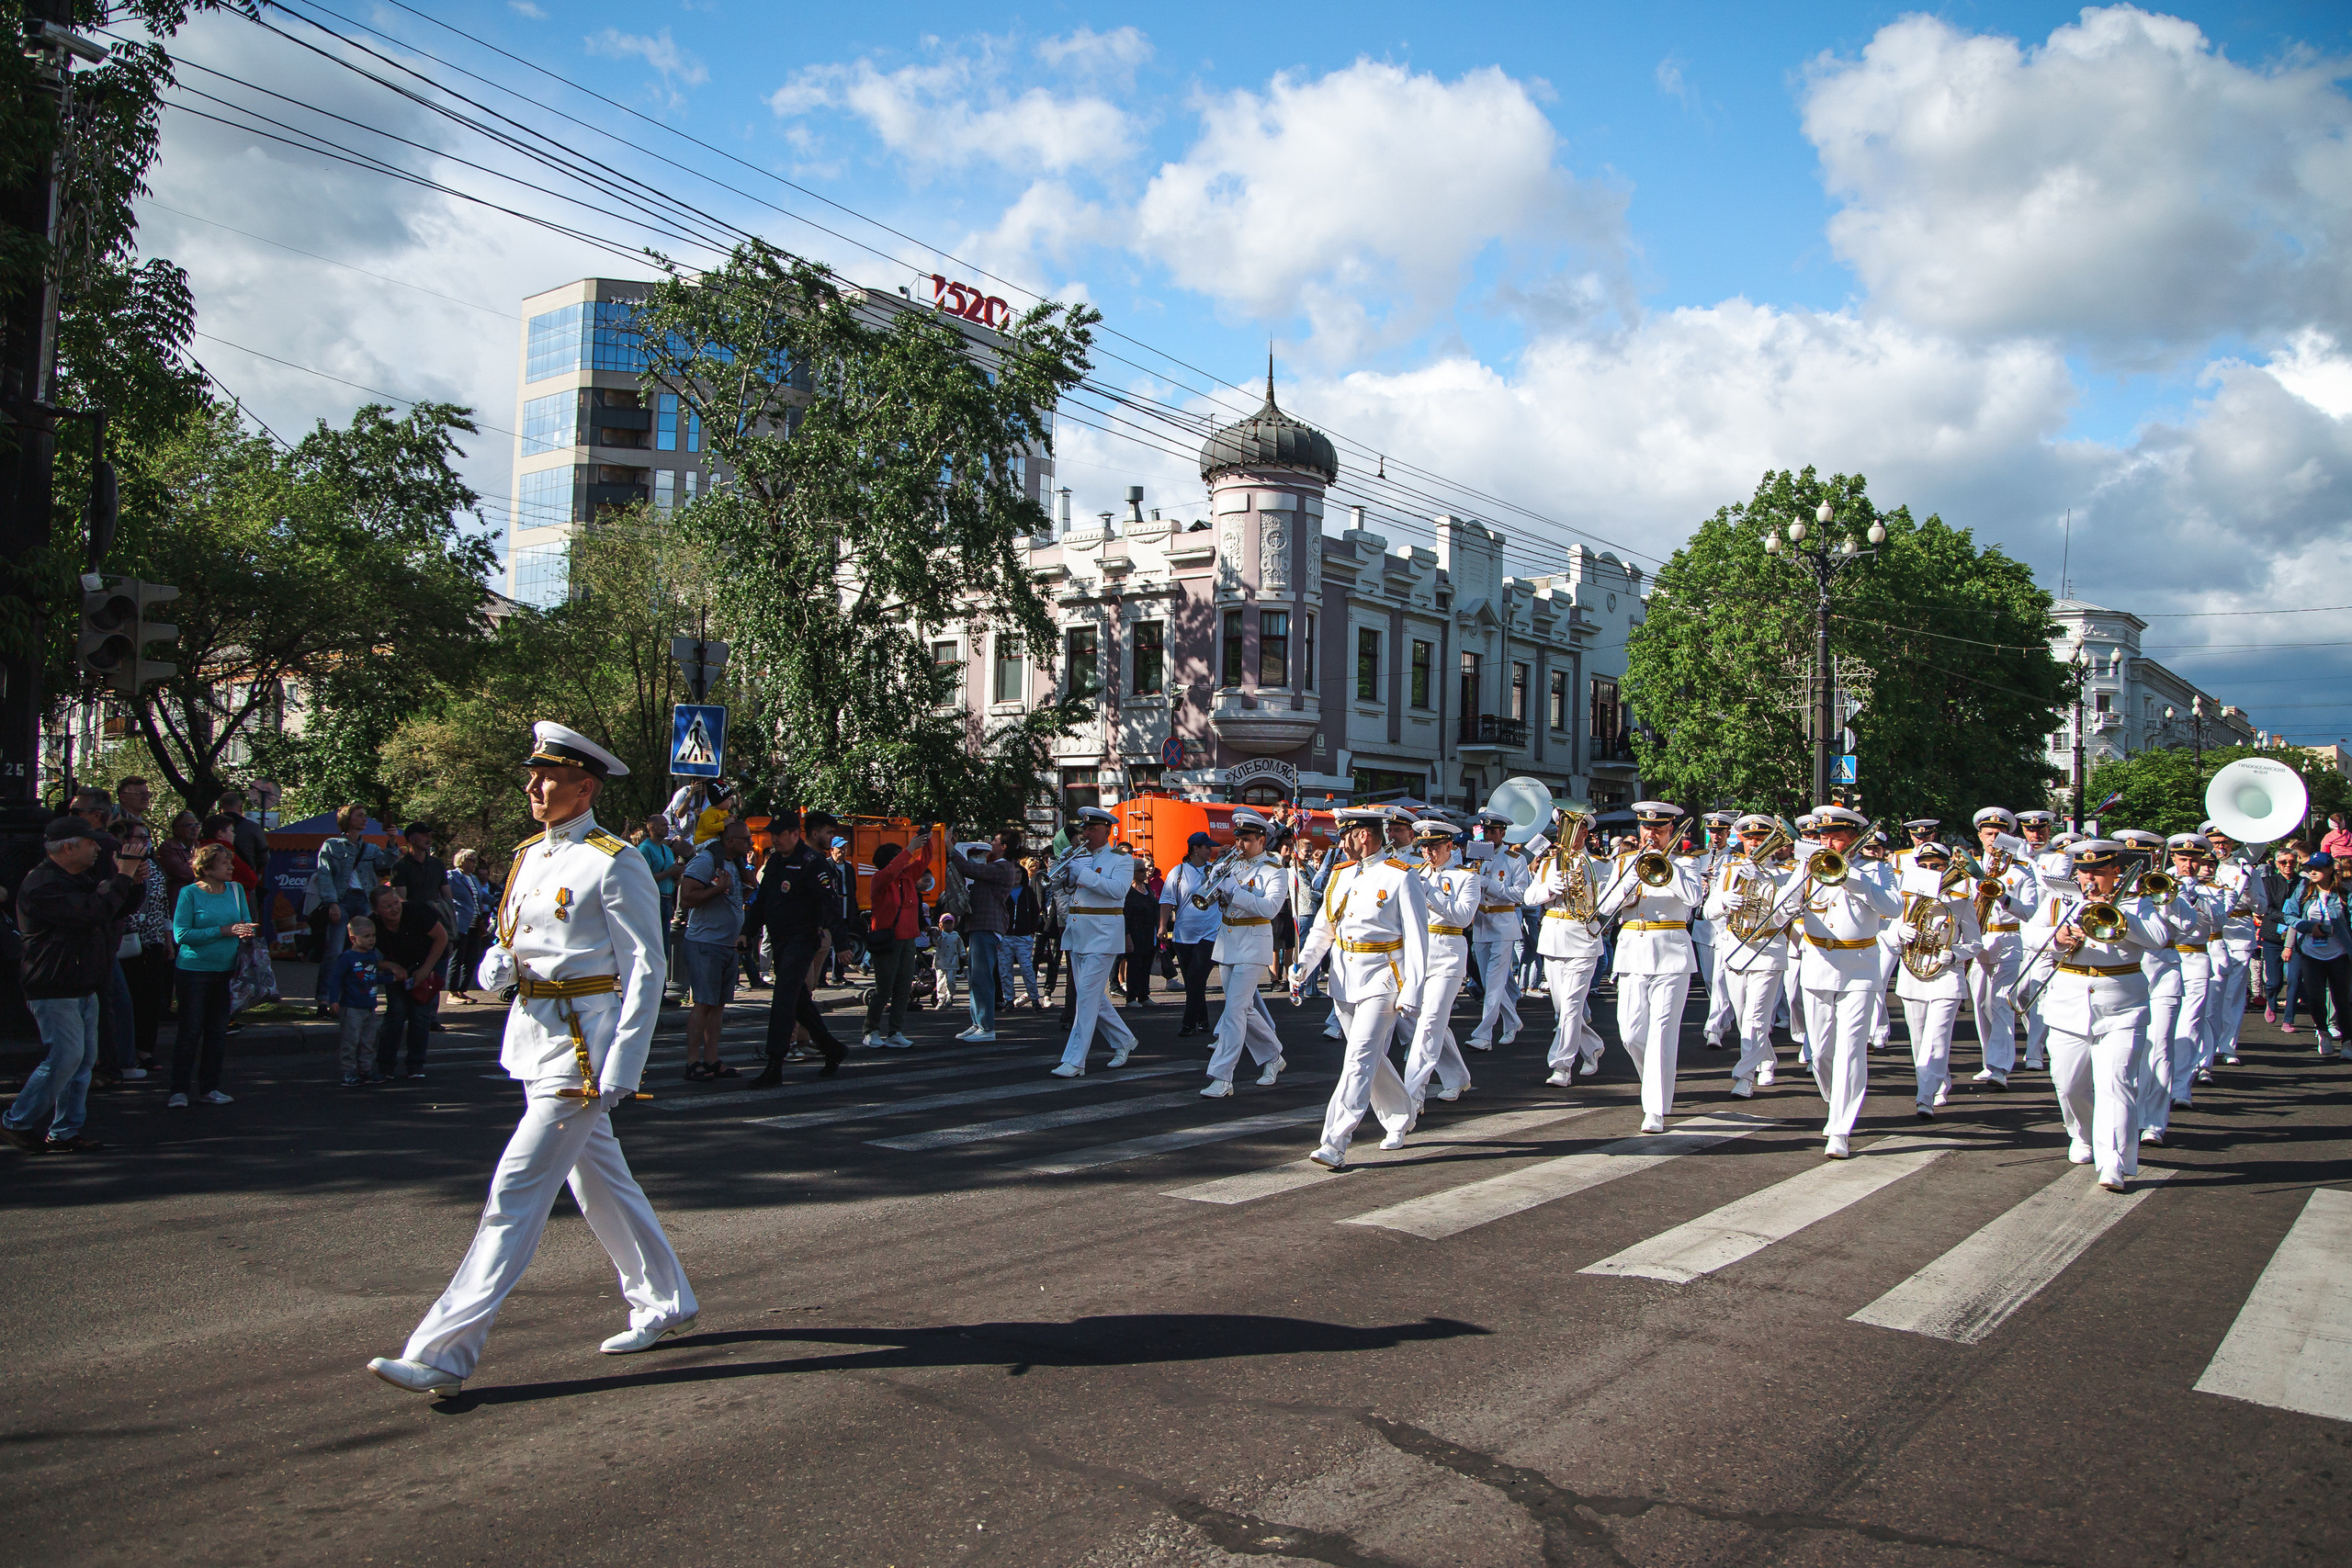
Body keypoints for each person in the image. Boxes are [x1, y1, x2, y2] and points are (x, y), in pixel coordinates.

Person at [368, 722, 693, 1397]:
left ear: (585, 785)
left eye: (546, 777)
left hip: (582, 1050)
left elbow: (645, 968)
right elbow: (514, 941)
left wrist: (624, 1063)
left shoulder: (614, 860)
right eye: (533, 775)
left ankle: (444, 1352)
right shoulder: (529, 855)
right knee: (598, 1181)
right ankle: (664, 1299)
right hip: (535, 1035)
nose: (532, 787)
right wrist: (498, 964)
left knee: (515, 1188)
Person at [1290, 806, 1426, 1169]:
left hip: (1383, 978)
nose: (1340, 842)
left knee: (1358, 1059)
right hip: (1344, 978)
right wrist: (1304, 964)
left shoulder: (1401, 876)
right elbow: (1324, 927)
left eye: (1344, 834)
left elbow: (1417, 939)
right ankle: (1401, 1115)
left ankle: (1334, 1141)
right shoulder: (1339, 874)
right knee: (1368, 1058)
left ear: (1363, 835)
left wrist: (1413, 992)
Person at [2, 818, 145, 1154]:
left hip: (81, 983)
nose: (98, 848)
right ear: (68, 846)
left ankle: (65, 1130)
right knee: (65, 1058)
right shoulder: (43, 885)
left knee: (82, 1063)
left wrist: (132, 884)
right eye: (91, 842)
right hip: (54, 985)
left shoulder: (73, 879)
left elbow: (110, 910)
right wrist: (122, 876)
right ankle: (16, 1122)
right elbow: (92, 912)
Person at [2038, 839, 2172, 1192]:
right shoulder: (2060, 900)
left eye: (2098, 872)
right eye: (2084, 872)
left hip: (2122, 1006)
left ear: (2116, 872)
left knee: (2118, 1084)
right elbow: (2031, 935)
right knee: (2068, 1084)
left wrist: (2118, 918)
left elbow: (2159, 938)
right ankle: (2081, 1135)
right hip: (2068, 1003)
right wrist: (2057, 938)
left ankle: (2113, 1162)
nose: (2090, 880)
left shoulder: (2136, 901)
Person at [1786, 805, 1905, 1157]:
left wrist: (1852, 878)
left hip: (1860, 966)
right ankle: (1834, 1099)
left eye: (1836, 837)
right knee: (1820, 1051)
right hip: (1818, 962)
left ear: (1853, 840)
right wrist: (1800, 879)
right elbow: (1781, 910)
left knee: (1852, 1050)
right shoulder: (1808, 868)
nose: (1829, 844)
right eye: (1824, 837)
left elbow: (1894, 908)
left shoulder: (1878, 870)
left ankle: (1839, 1128)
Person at [1592, 801, 1706, 1135]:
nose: (1650, 835)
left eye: (1658, 829)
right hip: (1632, 951)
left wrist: (1664, 870)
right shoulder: (1625, 862)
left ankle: (1654, 1108)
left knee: (1661, 1034)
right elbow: (1605, 906)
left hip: (1671, 952)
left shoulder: (1687, 863)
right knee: (1630, 1033)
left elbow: (1693, 899)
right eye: (1646, 828)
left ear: (1671, 830)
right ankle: (1653, 1081)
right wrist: (1630, 879)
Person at [750, 808, 851, 1084]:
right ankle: (832, 1048)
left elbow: (829, 906)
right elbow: (762, 902)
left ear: (795, 834)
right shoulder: (775, 863)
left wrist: (841, 943)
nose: (774, 839)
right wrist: (746, 933)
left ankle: (774, 1064)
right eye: (772, 834)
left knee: (783, 998)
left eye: (780, 834)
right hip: (780, 939)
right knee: (799, 1001)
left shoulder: (812, 863)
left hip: (802, 939)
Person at [1199, 811, 1289, 1098]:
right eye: (1238, 839)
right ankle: (1274, 1056)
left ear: (1262, 840)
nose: (1240, 844)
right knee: (1244, 1009)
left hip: (1253, 943)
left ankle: (1222, 1077)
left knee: (1234, 1010)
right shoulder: (1233, 865)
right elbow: (1214, 900)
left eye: (1247, 839)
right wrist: (1215, 881)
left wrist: (1235, 892)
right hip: (1228, 941)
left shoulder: (1276, 870)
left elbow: (1270, 909)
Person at [1890, 842, 1984, 1118]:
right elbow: (1885, 936)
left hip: (1946, 978)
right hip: (1913, 975)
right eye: (1925, 866)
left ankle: (1925, 1097)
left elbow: (1976, 943)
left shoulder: (1961, 902)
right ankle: (1937, 1082)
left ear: (1946, 868)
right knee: (1918, 1039)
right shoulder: (1906, 900)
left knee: (1937, 1039)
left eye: (1937, 866)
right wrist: (1899, 932)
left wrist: (1955, 954)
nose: (1930, 870)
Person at [166, 841, 256, 1110]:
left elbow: (244, 924)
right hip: (194, 972)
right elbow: (181, 935)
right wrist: (223, 930)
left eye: (230, 862)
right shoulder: (189, 894)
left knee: (217, 1032)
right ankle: (179, 1090)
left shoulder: (236, 890)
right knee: (190, 1031)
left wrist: (245, 931)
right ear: (205, 868)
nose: (230, 868)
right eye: (224, 863)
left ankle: (210, 1087)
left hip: (227, 971)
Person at [1051, 807, 1139, 1077]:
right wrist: (1064, 868)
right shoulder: (1082, 856)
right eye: (1084, 830)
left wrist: (1083, 874)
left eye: (1092, 830)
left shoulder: (1121, 859)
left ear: (1107, 831)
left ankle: (1075, 1060)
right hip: (1078, 933)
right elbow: (1061, 887)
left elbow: (1117, 891)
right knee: (1092, 998)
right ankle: (1124, 1040)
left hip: (1103, 934)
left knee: (1086, 999)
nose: (1086, 835)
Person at [1400, 818, 1480, 1114]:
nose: (1428, 853)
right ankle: (1457, 1076)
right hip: (1417, 953)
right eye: (1424, 847)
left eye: (1434, 847)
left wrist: (1430, 894)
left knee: (1431, 1022)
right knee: (1422, 1021)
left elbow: (1462, 918)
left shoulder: (1466, 877)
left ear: (1450, 846)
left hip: (1448, 953)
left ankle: (1413, 1094)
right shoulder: (1414, 873)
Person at [1963, 808, 2037, 1089]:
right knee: (1981, 1004)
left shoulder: (2020, 871)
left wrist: (2005, 898)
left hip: (2007, 940)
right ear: (1980, 837)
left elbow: (2030, 911)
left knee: (2001, 1003)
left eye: (1999, 834)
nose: (1993, 839)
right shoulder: (1970, 868)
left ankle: (2000, 1067)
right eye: (1989, 834)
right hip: (1977, 939)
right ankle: (1988, 1061)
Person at [677, 818, 752, 1079]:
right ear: (729, 840)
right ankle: (692, 1062)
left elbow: (734, 899)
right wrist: (718, 888)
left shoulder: (733, 863)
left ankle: (712, 1059)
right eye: (744, 839)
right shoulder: (706, 860)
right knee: (703, 1003)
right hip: (706, 943)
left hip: (727, 945)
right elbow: (687, 896)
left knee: (718, 1005)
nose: (750, 843)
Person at [308, 805, 390, 1016]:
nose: (364, 819)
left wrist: (391, 842)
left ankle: (360, 997)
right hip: (341, 900)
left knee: (365, 949)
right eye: (359, 815)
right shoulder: (332, 845)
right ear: (347, 819)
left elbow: (385, 865)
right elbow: (324, 874)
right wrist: (331, 902)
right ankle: (325, 1000)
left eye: (365, 816)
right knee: (334, 951)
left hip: (363, 900)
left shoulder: (370, 848)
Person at [1464, 810, 1529, 1051]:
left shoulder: (1515, 859)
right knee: (1490, 982)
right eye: (1486, 831)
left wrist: (1489, 884)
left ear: (1503, 833)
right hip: (1481, 924)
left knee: (1493, 982)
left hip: (1503, 925)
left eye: (1493, 831)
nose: (1489, 835)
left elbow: (1522, 894)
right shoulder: (1477, 857)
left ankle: (1484, 1034)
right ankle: (1512, 1021)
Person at [112, 818, 173, 1074]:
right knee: (129, 999)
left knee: (151, 998)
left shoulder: (154, 869)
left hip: (153, 941)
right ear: (125, 840)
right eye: (139, 837)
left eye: (148, 837)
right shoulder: (118, 867)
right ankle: (124, 1052)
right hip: (125, 943)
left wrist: (168, 940)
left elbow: (163, 906)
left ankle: (145, 1049)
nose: (145, 841)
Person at [954, 831, 1023, 1043]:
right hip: (980, 924)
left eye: (995, 840)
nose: (991, 843)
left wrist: (951, 850)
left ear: (1003, 846)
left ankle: (986, 1027)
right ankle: (978, 1023)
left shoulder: (1002, 866)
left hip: (987, 925)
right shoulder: (1001, 865)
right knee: (975, 978)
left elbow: (969, 869)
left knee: (982, 978)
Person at [863, 836, 927, 1047]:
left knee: (903, 988)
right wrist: (909, 849)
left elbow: (924, 861)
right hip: (887, 939)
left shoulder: (907, 876)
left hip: (908, 938)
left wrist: (928, 841)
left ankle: (895, 1032)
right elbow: (890, 871)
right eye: (898, 855)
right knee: (884, 988)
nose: (904, 859)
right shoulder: (880, 878)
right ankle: (870, 1030)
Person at [1158, 831, 1222, 1036]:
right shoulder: (1177, 872)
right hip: (1184, 935)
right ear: (1196, 849)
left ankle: (1188, 1023)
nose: (1210, 851)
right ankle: (1202, 1019)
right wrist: (1162, 926)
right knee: (1193, 981)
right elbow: (1167, 901)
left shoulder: (1216, 870)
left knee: (1196, 977)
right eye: (1207, 848)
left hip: (1210, 933)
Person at [2282, 855, 2348, 1051]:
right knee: (2316, 997)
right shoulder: (2303, 891)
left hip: (2340, 952)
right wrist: (2308, 926)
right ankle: (2323, 1033)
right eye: (2310, 867)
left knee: (2342, 999)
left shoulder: (2344, 892)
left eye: (2317, 868)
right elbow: (2288, 915)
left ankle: (2347, 1042)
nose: (2312, 871)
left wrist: (2339, 928)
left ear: (2329, 870)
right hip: (2311, 953)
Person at [326, 916, 383, 1086]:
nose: (371, 939)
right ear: (353, 938)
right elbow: (336, 979)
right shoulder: (347, 957)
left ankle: (366, 1069)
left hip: (370, 1006)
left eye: (373, 935)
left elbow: (372, 978)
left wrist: (391, 979)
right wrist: (333, 1000)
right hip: (351, 1007)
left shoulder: (372, 956)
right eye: (366, 936)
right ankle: (347, 1071)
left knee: (368, 1040)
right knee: (350, 1041)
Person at [216, 790, 273, 942]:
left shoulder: (211, 825)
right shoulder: (252, 828)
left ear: (220, 807)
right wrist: (256, 874)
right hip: (246, 883)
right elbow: (265, 856)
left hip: (216, 884)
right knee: (247, 928)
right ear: (241, 807)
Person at [639, 814, 683, 999]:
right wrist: (668, 872)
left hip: (666, 899)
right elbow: (643, 877)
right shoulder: (645, 849)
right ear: (651, 827)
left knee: (664, 946)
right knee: (654, 945)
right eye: (663, 825)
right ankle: (651, 992)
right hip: (652, 900)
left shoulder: (666, 850)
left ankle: (660, 990)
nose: (666, 828)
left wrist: (677, 875)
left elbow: (672, 876)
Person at [1003, 856, 1044, 1010]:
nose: (1016, 877)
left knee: (1027, 968)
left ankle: (1034, 998)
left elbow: (1035, 911)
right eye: (1013, 874)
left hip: (1023, 935)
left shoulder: (1027, 892)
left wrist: (1031, 931)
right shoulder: (1004, 891)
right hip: (1006, 936)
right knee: (1005, 969)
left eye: (1019, 874)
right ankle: (1008, 999)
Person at [447, 849, 487, 1001]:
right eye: (470, 859)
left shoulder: (474, 879)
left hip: (475, 926)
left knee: (471, 959)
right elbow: (444, 895)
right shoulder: (452, 876)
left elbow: (483, 897)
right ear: (461, 860)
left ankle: (462, 990)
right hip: (461, 924)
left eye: (475, 859)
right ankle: (452, 992)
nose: (473, 862)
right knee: (458, 958)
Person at [1120, 859, 1159, 1007]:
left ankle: (1144, 995)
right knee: (1134, 966)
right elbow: (1126, 916)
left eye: (1145, 869)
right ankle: (1131, 997)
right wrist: (1127, 937)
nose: (1145, 872)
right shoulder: (1128, 893)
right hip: (1135, 935)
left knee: (1146, 966)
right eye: (1141, 870)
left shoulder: (1148, 889)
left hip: (1150, 934)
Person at [159, 809, 199, 901]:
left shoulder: (199, 847)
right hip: (177, 899)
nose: (194, 829)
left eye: (197, 825)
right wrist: (203, 866)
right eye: (189, 825)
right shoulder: (168, 847)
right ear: (177, 830)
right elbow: (182, 873)